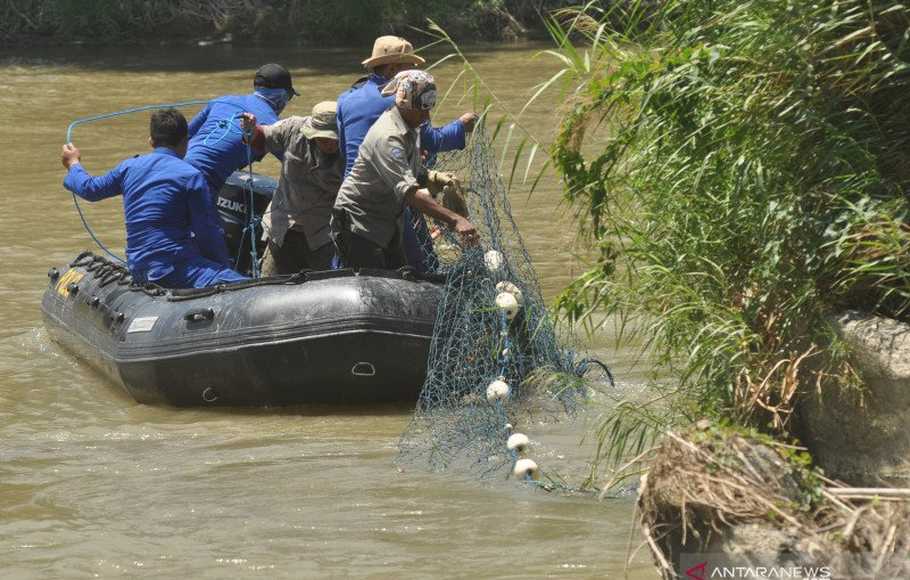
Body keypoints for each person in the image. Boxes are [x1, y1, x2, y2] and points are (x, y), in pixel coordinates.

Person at [61, 109, 247, 289]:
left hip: (139, 268)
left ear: (151, 141)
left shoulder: (128, 168)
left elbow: (90, 189)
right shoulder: (191, 176)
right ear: (186, 141)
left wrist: (73, 164)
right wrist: (223, 268)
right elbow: (207, 232)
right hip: (175, 269)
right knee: (243, 285)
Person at [336, 36, 478, 271]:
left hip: (386, 202)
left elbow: (344, 153)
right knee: (398, 271)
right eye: (409, 66)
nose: (426, 117)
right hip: (364, 212)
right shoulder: (393, 123)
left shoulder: (348, 99)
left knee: (401, 270)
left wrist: (429, 176)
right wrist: (455, 219)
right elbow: (412, 188)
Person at [240, 101, 343, 274]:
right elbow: (262, 137)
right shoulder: (293, 128)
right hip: (282, 227)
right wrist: (251, 130)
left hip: (323, 234)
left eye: (333, 139)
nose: (329, 144)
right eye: (323, 140)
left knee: (325, 285)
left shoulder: (351, 145)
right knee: (271, 284)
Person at [185, 63, 298, 199]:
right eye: (289, 97)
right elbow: (297, 164)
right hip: (203, 179)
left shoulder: (222, 100)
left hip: (173, 165)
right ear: (282, 96)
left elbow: (183, 136)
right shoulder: (274, 126)